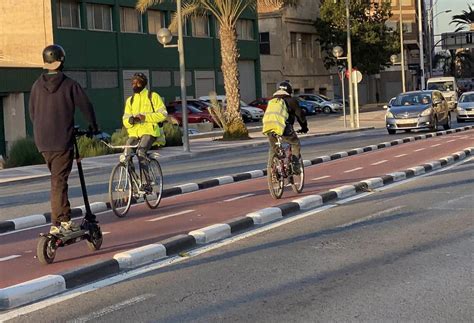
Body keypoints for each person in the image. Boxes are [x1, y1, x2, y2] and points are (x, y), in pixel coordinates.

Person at [29, 44, 99, 235]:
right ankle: (60, 222)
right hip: (61, 139)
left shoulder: (36, 85)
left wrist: (42, 129)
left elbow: (32, 113)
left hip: (43, 141)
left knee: (58, 179)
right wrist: (94, 126)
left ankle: (63, 217)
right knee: (59, 181)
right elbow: (85, 105)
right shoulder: (69, 84)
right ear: (62, 61)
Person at [122, 73, 167, 190]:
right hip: (134, 133)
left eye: (138, 83)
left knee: (141, 151)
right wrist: (130, 121)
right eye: (133, 83)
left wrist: (145, 117)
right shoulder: (130, 100)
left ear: (144, 84)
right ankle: (133, 183)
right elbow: (125, 119)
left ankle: (146, 183)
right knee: (126, 154)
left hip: (150, 131)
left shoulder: (153, 96)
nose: (135, 85)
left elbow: (163, 114)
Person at [262, 81, 308, 170]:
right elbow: (300, 116)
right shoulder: (291, 100)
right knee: (295, 143)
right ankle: (295, 166)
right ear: (290, 91)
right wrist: (304, 127)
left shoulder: (271, 101)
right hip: (284, 128)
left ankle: (271, 170)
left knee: (273, 148)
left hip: (269, 127)